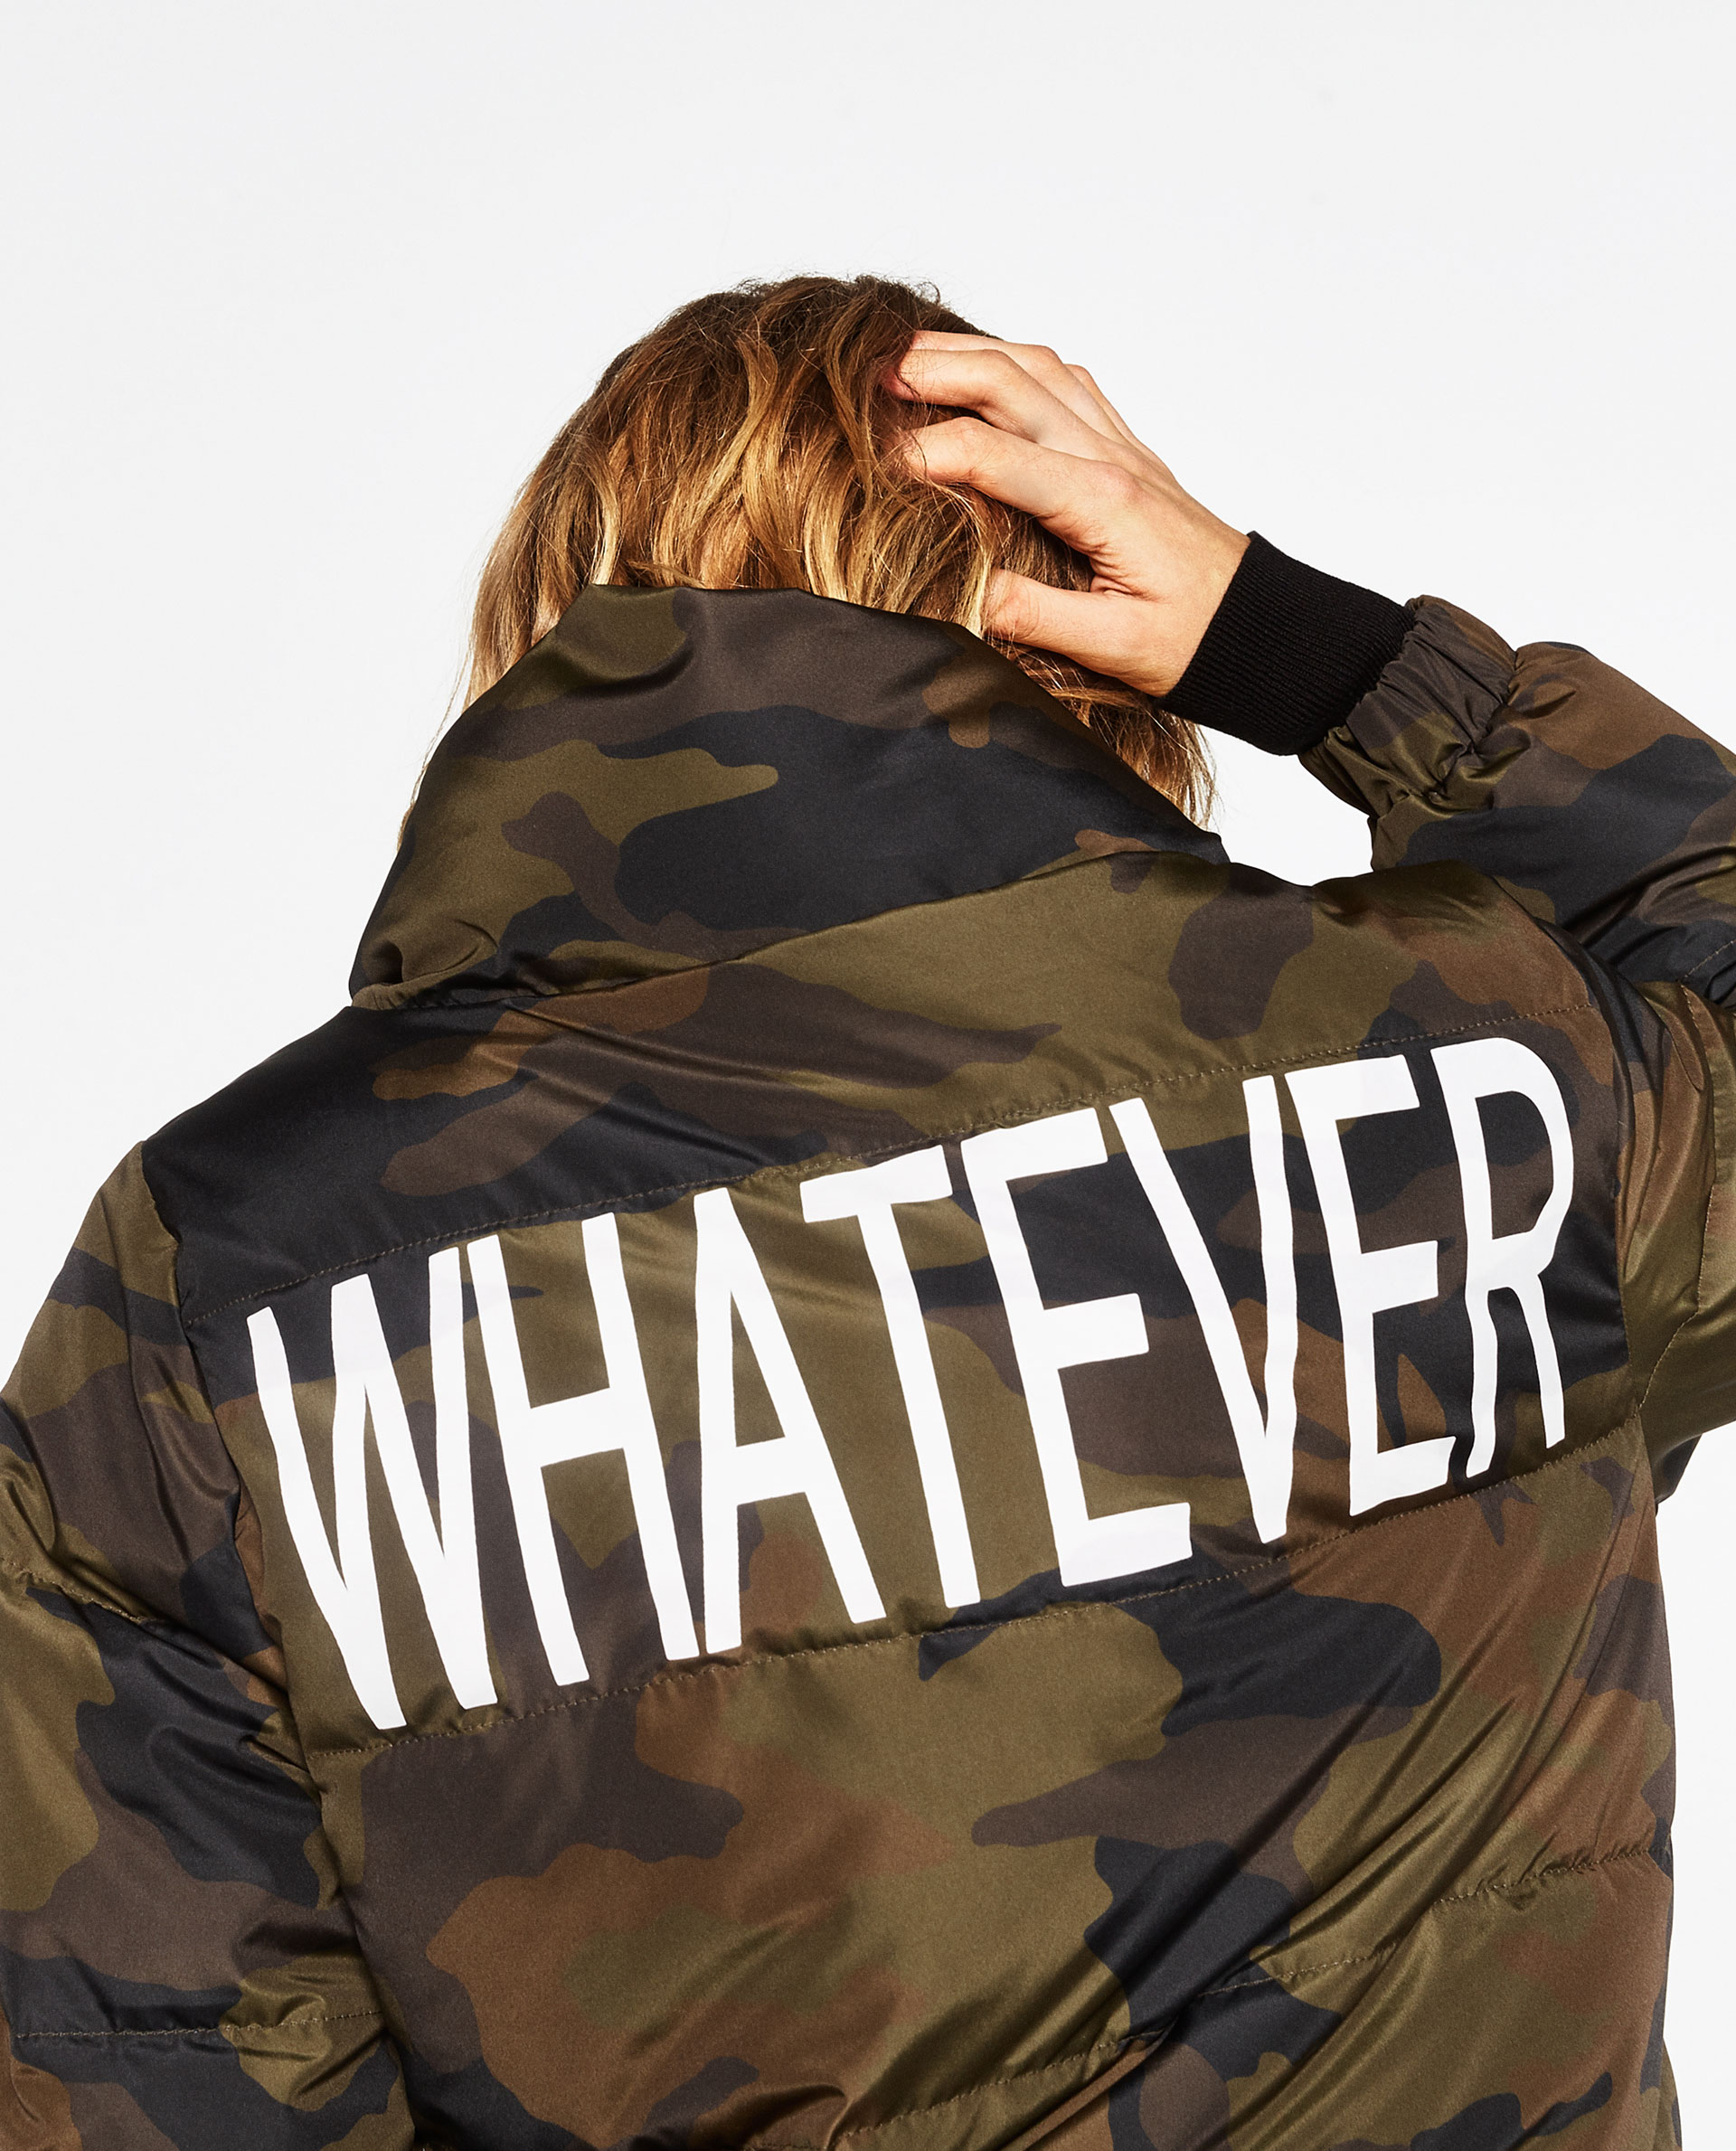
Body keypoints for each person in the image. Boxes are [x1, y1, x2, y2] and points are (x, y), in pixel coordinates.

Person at [2, 274, 1728, 2151]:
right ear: (1075, 622)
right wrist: (1319, 658)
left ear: (553, 629)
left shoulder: (226, 1280)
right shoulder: (1476, 1073)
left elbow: (147, 2068)